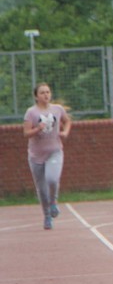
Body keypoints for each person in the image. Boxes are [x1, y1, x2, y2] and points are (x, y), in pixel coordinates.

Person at [23, 83, 72, 230]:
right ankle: (47, 216)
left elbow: (67, 121)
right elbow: (26, 133)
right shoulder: (31, 112)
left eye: (48, 92)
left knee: (52, 178)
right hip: (36, 155)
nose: (46, 95)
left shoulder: (57, 109)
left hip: (54, 151)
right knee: (42, 189)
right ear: (36, 96)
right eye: (42, 93)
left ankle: (54, 202)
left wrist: (65, 132)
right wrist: (37, 129)